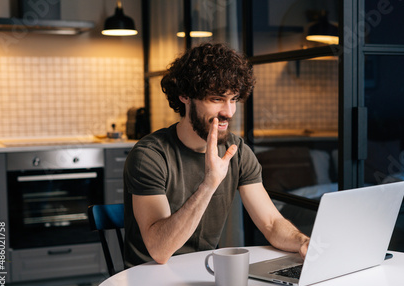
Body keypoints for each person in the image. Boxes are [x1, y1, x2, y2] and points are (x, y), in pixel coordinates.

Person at [123, 42, 309, 267]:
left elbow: (270, 223)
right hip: (148, 276)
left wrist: (303, 242)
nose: (228, 112)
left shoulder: (236, 152)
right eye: (217, 99)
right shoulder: (150, 156)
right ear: (185, 95)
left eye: (233, 100)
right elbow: (160, 251)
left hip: (204, 271)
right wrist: (209, 183)